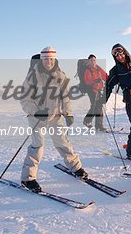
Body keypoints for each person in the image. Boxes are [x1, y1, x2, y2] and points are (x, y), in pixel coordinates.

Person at [20, 46, 88, 192]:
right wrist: (36, 112)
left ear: (54, 59)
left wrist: (68, 113)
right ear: (42, 60)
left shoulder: (60, 75)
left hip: (55, 116)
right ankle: (28, 178)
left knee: (63, 142)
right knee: (37, 146)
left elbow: (65, 97)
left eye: (51, 59)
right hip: (36, 117)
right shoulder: (33, 76)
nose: (48, 62)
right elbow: (25, 99)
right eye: (45, 59)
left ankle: (75, 168)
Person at [83, 54, 108, 131]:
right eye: (91, 60)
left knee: (99, 106)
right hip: (92, 90)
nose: (93, 62)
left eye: (94, 60)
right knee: (94, 106)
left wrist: (112, 80)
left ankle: (99, 125)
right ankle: (87, 121)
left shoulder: (98, 68)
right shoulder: (87, 70)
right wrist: (95, 81)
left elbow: (105, 75)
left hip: (99, 89)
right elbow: (87, 81)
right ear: (89, 61)